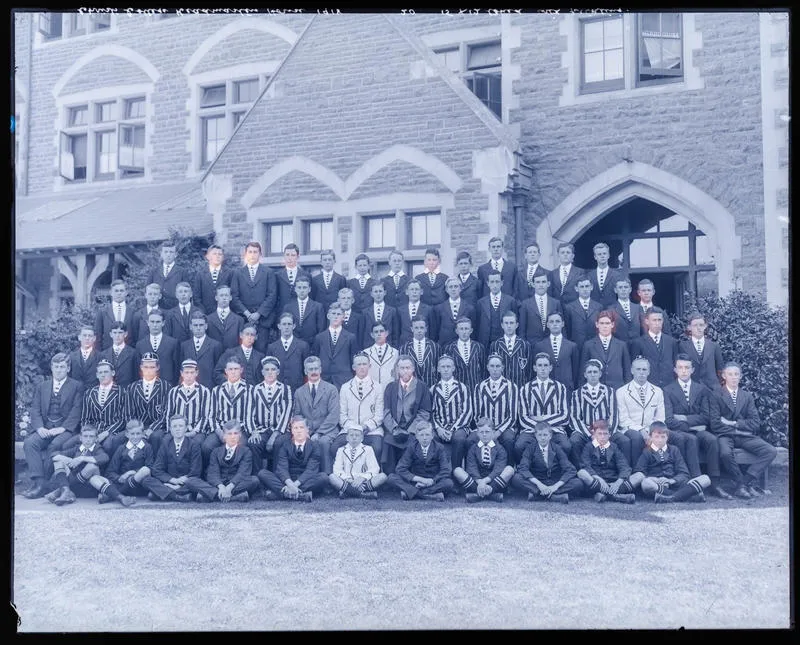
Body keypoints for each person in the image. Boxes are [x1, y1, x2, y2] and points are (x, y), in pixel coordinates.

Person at [663, 354, 732, 499]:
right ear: (675, 370)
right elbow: (669, 420)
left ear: (692, 370)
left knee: (712, 440)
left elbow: (706, 417)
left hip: (700, 430)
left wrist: (685, 418)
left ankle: (714, 483)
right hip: (680, 432)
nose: (684, 371)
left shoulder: (702, 389)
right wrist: (693, 426)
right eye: (680, 367)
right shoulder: (667, 390)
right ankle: (696, 481)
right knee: (691, 440)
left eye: (687, 367)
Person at [20, 353, 84, 499]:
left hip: (64, 430)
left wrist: (62, 428)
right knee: (30, 443)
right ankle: (39, 482)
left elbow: (77, 410)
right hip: (45, 427)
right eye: (56, 367)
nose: (59, 370)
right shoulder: (43, 386)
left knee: (54, 445)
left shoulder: (76, 386)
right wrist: (39, 428)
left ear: (68, 369)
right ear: (51, 368)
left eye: (62, 367)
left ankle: (45, 484)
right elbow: (35, 409)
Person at [709, 362, 777, 499]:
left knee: (770, 451)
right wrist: (737, 429)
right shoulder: (716, 395)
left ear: (740, 377)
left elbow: (755, 423)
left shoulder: (746, 396)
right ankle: (742, 484)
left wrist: (733, 423)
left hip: (744, 436)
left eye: (736, 374)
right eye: (730, 374)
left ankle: (743, 483)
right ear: (723, 376)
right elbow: (715, 424)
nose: (733, 377)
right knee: (725, 454)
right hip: (725, 436)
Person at [42, 425, 128, 506]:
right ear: (80, 438)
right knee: (58, 461)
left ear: (96, 438)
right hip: (77, 486)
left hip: (92, 486)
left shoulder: (97, 449)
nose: (88, 439)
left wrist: (82, 458)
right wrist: (68, 460)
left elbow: (104, 457)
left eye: (91, 436)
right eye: (85, 436)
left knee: (92, 466)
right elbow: (54, 455)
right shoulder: (77, 449)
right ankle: (66, 490)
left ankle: (60, 491)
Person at [629, 421, 711, 503]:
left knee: (705, 479)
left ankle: (671, 498)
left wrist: (672, 480)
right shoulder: (647, 452)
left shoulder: (674, 450)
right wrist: (656, 479)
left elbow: (684, 473)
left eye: (663, 437)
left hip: (675, 484)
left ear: (667, 437)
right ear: (650, 437)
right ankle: (685, 496)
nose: (660, 440)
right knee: (645, 483)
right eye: (656, 437)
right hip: (657, 485)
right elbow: (640, 472)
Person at [381, 355, 432, 474]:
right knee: (388, 441)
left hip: (413, 429)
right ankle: (391, 477)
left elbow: (424, 412)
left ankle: (409, 476)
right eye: (402, 368)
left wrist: (411, 430)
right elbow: (386, 412)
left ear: (413, 369)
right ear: (397, 370)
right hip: (395, 428)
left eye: (408, 368)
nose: (405, 371)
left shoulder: (421, 387)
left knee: (412, 442)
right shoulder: (391, 387)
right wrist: (394, 429)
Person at [258, 416, 329, 501]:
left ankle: (281, 494)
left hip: (304, 480)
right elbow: (282, 468)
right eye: (295, 428)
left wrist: (294, 485)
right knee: (262, 473)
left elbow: (311, 470)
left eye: (301, 427)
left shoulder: (314, 446)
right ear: (291, 430)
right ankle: (301, 495)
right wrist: (290, 484)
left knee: (323, 477)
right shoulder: (285, 445)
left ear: (307, 430)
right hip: (287, 479)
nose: (299, 431)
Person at [512, 421, 584, 504]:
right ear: (535, 436)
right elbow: (523, 468)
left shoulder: (557, 448)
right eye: (540, 435)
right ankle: (555, 496)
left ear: (550, 436)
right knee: (516, 478)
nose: (542, 438)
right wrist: (540, 485)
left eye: (545, 435)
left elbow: (570, 469)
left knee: (578, 483)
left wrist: (555, 487)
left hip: (554, 480)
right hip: (538, 480)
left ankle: (538, 495)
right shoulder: (530, 448)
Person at [516, 353, 571, 461]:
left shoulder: (560, 387)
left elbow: (564, 416)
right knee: (519, 446)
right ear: (534, 368)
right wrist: (539, 427)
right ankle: (523, 468)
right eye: (539, 365)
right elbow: (523, 418)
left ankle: (558, 469)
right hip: (531, 429)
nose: (543, 369)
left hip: (554, 429)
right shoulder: (525, 388)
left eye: (546, 365)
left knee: (566, 446)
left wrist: (542, 420)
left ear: (550, 368)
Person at [335, 352, 384, 469]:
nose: (362, 367)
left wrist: (366, 427)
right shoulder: (346, 387)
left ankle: (371, 476)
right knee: (335, 446)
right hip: (349, 429)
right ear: (353, 367)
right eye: (359, 364)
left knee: (377, 448)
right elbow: (342, 415)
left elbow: (379, 415)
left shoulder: (377, 387)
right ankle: (345, 475)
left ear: (369, 366)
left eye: (364, 364)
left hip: (371, 430)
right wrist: (353, 428)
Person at [291, 356, 340, 473]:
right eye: (310, 369)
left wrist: (318, 433)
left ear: (321, 370)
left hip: (328, 430)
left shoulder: (331, 389)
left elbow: (333, 415)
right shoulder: (299, 392)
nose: (313, 372)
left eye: (316, 369)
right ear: (305, 371)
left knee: (323, 442)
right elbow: (297, 415)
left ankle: (327, 477)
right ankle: (306, 479)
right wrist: (305, 432)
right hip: (308, 430)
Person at [615, 357, 665, 468]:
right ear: (632, 371)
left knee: (669, 437)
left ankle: (659, 470)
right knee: (637, 438)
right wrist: (641, 430)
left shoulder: (657, 391)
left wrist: (653, 432)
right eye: (638, 369)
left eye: (644, 369)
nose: (641, 373)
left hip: (651, 428)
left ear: (649, 371)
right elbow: (623, 419)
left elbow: (660, 417)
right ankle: (637, 471)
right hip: (629, 428)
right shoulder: (622, 391)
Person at [193, 420, 260, 503]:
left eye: (235, 433)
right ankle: (235, 496)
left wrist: (229, 487)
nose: (232, 437)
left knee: (254, 480)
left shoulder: (246, 451)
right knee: (191, 481)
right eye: (229, 434)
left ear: (240, 435)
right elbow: (213, 473)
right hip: (219, 484)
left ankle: (212, 495)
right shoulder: (216, 451)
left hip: (235, 484)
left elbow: (242, 473)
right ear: (224, 436)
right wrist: (221, 487)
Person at [141, 414, 203, 503]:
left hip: (186, 482)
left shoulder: (194, 445)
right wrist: (173, 481)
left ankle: (165, 493)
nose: (178, 429)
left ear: (186, 428)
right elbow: (157, 469)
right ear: (170, 429)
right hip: (170, 481)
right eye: (174, 426)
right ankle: (178, 496)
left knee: (195, 483)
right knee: (146, 480)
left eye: (181, 426)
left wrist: (180, 483)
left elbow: (195, 471)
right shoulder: (165, 444)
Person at [386, 422, 454, 501]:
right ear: (417, 437)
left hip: (432, 481)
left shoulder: (439, 448)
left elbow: (446, 470)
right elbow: (400, 468)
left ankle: (411, 493)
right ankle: (428, 496)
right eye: (421, 435)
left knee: (448, 483)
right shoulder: (412, 447)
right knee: (391, 478)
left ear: (432, 436)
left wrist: (432, 481)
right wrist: (420, 480)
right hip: (415, 482)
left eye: (427, 435)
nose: (424, 438)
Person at [568, 359, 618, 467]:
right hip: (585, 429)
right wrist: (590, 434)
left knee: (623, 440)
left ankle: (617, 469)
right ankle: (579, 469)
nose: (592, 375)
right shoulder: (577, 393)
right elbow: (574, 417)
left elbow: (614, 415)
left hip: (605, 429)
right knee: (574, 440)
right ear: (585, 375)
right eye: (589, 372)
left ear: (600, 374)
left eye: (595, 372)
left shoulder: (609, 391)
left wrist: (606, 433)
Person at [230, 241, 278, 352]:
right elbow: (234, 296)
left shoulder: (268, 272)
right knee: (243, 351)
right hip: (243, 319)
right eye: (250, 252)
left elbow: (272, 295)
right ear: (245, 254)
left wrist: (258, 313)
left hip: (262, 320)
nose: (252, 254)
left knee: (261, 350)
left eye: (255, 252)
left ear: (260, 254)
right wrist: (246, 313)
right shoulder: (238, 273)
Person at [453, 417, 514, 503]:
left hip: (493, 481)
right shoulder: (473, 448)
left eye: (487, 432)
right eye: (482, 432)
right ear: (477, 433)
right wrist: (480, 482)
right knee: (457, 470)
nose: (484, 435)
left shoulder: (500, 449)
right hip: (477, 482)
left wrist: (485, 481)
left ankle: (479, 494)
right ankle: (492, 495)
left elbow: (498, 469)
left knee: (510, 469)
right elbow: (471, 467)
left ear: (493, 433)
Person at [430, 355, 474, 469]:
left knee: (459, 439)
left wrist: (453, 428)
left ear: (453, 368)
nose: (445, 369)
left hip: (459, 426)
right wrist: (439, 429)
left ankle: (457, 471)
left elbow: (467, 411)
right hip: (440, 427)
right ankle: (437, 472)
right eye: (442, 367)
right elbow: (431, 413)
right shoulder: (433, 389)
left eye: (448, 366)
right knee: (431, 437)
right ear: (438, 369)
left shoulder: (462, 387)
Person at [249, 356, 292, 470]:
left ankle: (277, 478)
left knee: (278, 443)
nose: (270, 372)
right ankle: (257, 479)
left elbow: (286, 414)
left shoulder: (285, 389)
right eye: (267, 369)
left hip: (280, 431)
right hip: (261, 429)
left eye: (273, 369)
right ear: (262, 372)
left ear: (278, 372)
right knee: (254, 443)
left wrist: (275, 435)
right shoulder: (255, 389)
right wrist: (254, 432)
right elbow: (248, 414)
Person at [473, 354, 519, 463]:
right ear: (487, 367)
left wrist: (498, 432)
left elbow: (512, 417)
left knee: (508, 439)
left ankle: (510, 467)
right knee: (470, 440)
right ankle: (477, 469)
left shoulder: (511, 386)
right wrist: (487, 430)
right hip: (485, 427)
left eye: (498, 366)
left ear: (502, 368)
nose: (495, 369)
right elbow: (477, 415)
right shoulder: (480, 386)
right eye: (492, 366)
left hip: (505, 427)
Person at [208, 357, 254, 465]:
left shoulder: (250, 389)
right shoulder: (217, 390)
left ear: (241, 370)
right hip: (221, 429)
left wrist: (240, 432)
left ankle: (237, 476)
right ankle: (210, 473)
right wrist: (220, 432)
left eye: (236, 369)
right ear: (226, 371)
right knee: (207, 446)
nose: (233, 372)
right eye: (230, 369)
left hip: (240, 430)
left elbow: (250, 415)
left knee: (241, 447)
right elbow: (211, 416)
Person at [576, 419, 635, 504]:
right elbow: (585, 465)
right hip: (597, 481)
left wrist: (618, 483)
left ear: (609, 435)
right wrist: (599, 479)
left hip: (613, 481)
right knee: (581, 473)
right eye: (599, 434)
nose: (602, 437)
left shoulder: (614, 447)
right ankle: (616, 496)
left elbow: (624, 466)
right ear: (594, 434)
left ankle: (603, 494)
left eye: (605, 434)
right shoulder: (589, 447)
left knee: (638, 476)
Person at [77, 359, 129, 455]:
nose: (103, 375)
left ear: (112, 373)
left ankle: (102, 468)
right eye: (100, 372)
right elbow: (85, 418)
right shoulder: (89, 393)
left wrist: (106, 432)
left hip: (112, 431)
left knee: (107, 445)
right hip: (93, 431)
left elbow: (123, 420)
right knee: (69, 445)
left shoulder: (122, 392)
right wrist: (88, 433)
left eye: (106, 372)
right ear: (97, 375)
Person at [328, 423, 388, 499]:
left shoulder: (368, 449)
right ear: (347, 438)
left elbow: (374, 469)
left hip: (363, 482)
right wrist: (348, 480)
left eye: (357, 435)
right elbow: (337, 470)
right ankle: (363, 494)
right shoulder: (341, 450)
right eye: (351, 435)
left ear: (362, 438)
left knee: (383, 476)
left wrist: (362, 478)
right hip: (347, 481)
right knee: (331, 477)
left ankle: (347, 492)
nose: (354, 438)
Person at [126, 352, 170, 454]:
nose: (149, 370)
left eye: (152, 367)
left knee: (156, 437)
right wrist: (137, 428)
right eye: (146, 367)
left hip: (157, 426)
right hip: (138, 425)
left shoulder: (165, 386)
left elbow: (165, 413)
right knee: (126, 437)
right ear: (141, 367)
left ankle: (154, 464)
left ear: (157, 367)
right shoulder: (132, 387)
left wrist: (151, 428)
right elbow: (128, 413)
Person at [164, 359, 211, 454]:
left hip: (195, 430)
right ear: (182, 373)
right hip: (176, 429)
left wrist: (194, 432)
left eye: (192, 372)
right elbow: (169, 414)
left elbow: (205, 416)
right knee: (166, 441)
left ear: (196, 373)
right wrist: (173, 430)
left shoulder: (204, 391)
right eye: (186, 372)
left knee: (197, 443)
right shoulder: (174, 391)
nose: (189, 376)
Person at [102, 419, 155, 501]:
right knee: (107, 481)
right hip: (123, 483)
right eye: (132, 434)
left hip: (139, 486)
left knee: (145, 475)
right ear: (127, 434)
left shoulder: (147, 447)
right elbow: (110, 471)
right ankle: (118, 494)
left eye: (138, 433)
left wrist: (132, 472)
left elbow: (149, 468)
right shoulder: (121, 448)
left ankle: (113, 495)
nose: (135, 437)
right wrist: (119, 477)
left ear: (143, 434)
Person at [580, 310, 631, 391]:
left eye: (607, 323)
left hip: (617, 388)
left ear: (612, 324)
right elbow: (583, 371)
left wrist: (627, 389)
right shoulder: (588, 345)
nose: (605, 326)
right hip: (596, 389)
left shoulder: (621, 345)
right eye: (602, 323)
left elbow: (627, 370)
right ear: (597, 324)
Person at [312, 303, 359, 389]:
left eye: (338, 314)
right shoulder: (319, 338)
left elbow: (353, 360)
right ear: (328, 316)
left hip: (344, 380)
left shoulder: (350, 337)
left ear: (343, 317)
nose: (336, 316)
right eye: (333, 314)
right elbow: (316, 359)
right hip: (324, 380)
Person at [629, 308, 678, 388]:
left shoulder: (671, 342)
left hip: (669, 386)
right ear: (647, 321)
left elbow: (676, 365)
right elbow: (635, 367)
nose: (657, 323)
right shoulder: (638, 343)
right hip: (648, 386)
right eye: (654, 320)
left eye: (659, 320)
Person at [533, 312, 580, 396]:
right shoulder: (539, 346)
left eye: (557, 321)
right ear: (547, 325)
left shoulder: (572, 346)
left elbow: (575, 371)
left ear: (562, 324)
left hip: (567, 389)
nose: (555, 324)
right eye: (551, 322)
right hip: (546, 390)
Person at [678, 313, 725, 392]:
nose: (698, 328)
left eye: (701, 325)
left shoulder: (714, 346)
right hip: (692, 389)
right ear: (689, 327)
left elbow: (720, 370)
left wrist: (719, 387)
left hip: (712, 389)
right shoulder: (682, 346)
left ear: (705, 326)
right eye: (695, 325)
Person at [266, 312, 311, 392]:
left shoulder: (303, 346)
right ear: (279, 326)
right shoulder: (272, 347)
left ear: (294, 326)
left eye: (289, 324)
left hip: (297, 389)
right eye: (284, 324)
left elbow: (306, 371)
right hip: (277, 390)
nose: (286, 327)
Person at [135, 309, 180, 386]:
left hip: (167, 384)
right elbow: (138, 369)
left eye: (158, 322)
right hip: (147, 385)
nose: (155, 325)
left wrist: (173, 384)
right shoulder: (140, 344)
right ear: (147, 323)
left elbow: (176, 368)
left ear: (163, 323)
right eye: (152, 322)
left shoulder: (173, 343)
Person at [489, 311, 532, 389]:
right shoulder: (495, 345)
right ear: (502, 325)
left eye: (511, 323)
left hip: (520, 387)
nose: (509, 326)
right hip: (500, 389)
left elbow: (529, 371)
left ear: (517, 325)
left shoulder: (525, 345)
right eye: (506, 323)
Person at [180, 312, 223, 390]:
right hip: (188, 388)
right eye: (195, 325)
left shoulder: (215, 345)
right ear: (190, 327)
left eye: (201, 325)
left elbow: (218, 370)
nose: (198, 328)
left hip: (209, 387)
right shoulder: (184, 346)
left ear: (206, 326)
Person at [443, 317, 486, 393]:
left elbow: (483, 369)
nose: (464, 332)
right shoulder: (449, 348)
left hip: (475, 389)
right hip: (457, 390)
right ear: (456, 331)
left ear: (471, 330)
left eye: (466, 329)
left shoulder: (479, 347)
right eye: (461, 329)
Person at [475, 270, 518, 348]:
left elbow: (515, 323)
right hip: (486, 343)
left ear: (502, 283)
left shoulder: (510, 301)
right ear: (488, 283)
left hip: (505, 342)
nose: (494, 285)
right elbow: (477, 325)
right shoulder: (481, 303)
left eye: (497, 282)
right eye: (492, 282)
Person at [519, 273, 562, 348]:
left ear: (548, 284)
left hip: (552, 344)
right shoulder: (526, 304)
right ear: (533, 284)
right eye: (538, 282)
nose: (541, 285)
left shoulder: (555, 303)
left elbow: (561, 326)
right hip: (532, 344)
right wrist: (524, 345)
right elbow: (522, 329)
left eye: (543, 282)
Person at [282, 274, 325, 346]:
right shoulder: (288, 307)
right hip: (293, 344)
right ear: (295, 289)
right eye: (299, 287)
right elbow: (284, 328)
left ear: (309, 289)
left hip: (312, 344)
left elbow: (321, 329)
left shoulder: (317, 307)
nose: (302, 290)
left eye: (304, 288)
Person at [563, 276, 603, 351]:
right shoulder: (569, 307)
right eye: (581, 287)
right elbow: (567, 329)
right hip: (577, 346)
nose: (585, 289)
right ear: (576, 289)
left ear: (591, 287)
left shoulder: (598, 307)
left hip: (595, 345)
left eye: (587, 286)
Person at [401, 317, 441, 389]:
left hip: (431, 386)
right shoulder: (404, 348)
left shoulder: (435, 347)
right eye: (416, 328)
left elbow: (439, 368)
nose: (419, 330)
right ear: (412, 329)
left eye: (421, 328)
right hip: (412, 388)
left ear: (426, 329)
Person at [192, 244, 233, 315]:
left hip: (225, 313)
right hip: (206, 313)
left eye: (220, 254)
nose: (217, 256)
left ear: (223, 257)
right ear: (208, 256)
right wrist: (203, 312)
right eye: (214, 254)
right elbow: (196, 297)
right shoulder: (200, 274)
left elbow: (233, 294)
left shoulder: (230, 273)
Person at [434, 276, 476, 347]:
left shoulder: (469, 308)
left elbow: (473, 329)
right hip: (445, 345)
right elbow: (436, 329)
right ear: (446, 290)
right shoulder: (439, 308)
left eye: (456, 286)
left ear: (460, 288)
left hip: (464, 345)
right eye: (450, 287)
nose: (453, 289)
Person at [94, 279, 135, 351]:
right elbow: (98, 336)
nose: (119, 293)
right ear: (111, 293)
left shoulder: (133, 312)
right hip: (107, 353)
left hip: (128, 354)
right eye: (116, 291)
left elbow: (135, 336)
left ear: (126, 292)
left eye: (121, 291)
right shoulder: (102, 312)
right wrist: (99, 355)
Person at [274, 243, 311, 315]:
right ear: (284, 256)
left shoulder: (306, 275)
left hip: (300, 313)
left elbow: (310, 297)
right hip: (282, 314)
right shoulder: (277, 275)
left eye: (293, 255)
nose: (289, 258)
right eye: (287, 255)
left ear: (298, 257)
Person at [205, 285, 244, 351]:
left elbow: (241, 343)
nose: (224, 298)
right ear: (216, 298)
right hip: (213, 355)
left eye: (226, 295)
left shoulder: (239, 320)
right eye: (221, 295)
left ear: (230, 298)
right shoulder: (208, 319)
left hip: (233, 357)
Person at [361, 281, 399, 349]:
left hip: (388, 347)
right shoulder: (365, 312)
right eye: (375, 292)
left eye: (380, 291)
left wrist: (394, 348)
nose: (378, 294)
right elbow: (362, 333)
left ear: (385, 293)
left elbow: (395, 333)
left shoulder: (392, 311)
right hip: (369, 347)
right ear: (371, 294)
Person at [587, 242, 626, 308]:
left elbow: (622, 295)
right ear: (595, 257)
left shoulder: (617, 275)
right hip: (594, 311)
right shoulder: (589, 275)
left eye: (604, 253)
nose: (602, 256)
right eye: (599, 254)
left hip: (612, 311)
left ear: (608, 255)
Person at [148, 242, 185, 311]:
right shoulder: (154, 272)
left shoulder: (182, 272)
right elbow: (148, 290)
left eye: (171, 252)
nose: (168, 254)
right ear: (161, 254)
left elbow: (186, 292)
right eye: (166, 252)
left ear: (175, 255)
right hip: (157, 309)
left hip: (175, 308)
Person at [99, 322, 137, 388]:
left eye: (120, 332)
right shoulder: (104, 354)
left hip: (127, 390)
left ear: (125, 334)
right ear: (111, 334)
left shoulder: (133, 353)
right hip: (109, 391)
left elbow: (136, 375)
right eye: (115, 332)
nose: (117, 335)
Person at [396, 279, 433, 346]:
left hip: (423, 345)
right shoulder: (400, 310)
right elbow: (397, 331)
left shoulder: (428, 309)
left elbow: (432, 331)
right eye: (412, 289)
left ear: (421, 292)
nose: (414, 292)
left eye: (417, 289)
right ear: (407, 292)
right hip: (404, 345)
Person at [364, 321, 399, 387]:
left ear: (386, 333)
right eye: (376, 332)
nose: (379, 334)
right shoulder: (366, 353)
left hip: (389, 388)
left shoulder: (395, 353)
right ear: (372, 335)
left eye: (381, 331)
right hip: (371, 389)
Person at [609, 278, 644, 344]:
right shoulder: (610, 309)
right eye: (620, 287)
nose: (623, 290)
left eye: (626, 287)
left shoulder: (638, 308)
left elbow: (643, 330)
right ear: (615, 290)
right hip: (619, 346)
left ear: (630, 289)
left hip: (637, 346)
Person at [311, 249, 347, 313]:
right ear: (321, 262)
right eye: (325, 260)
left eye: (330, 260)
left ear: (334, 261)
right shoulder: (314, 280)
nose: (327, 262)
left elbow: (344, 297)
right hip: (320, 312)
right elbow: (312, 298)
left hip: (336, 313)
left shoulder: (341, 279)